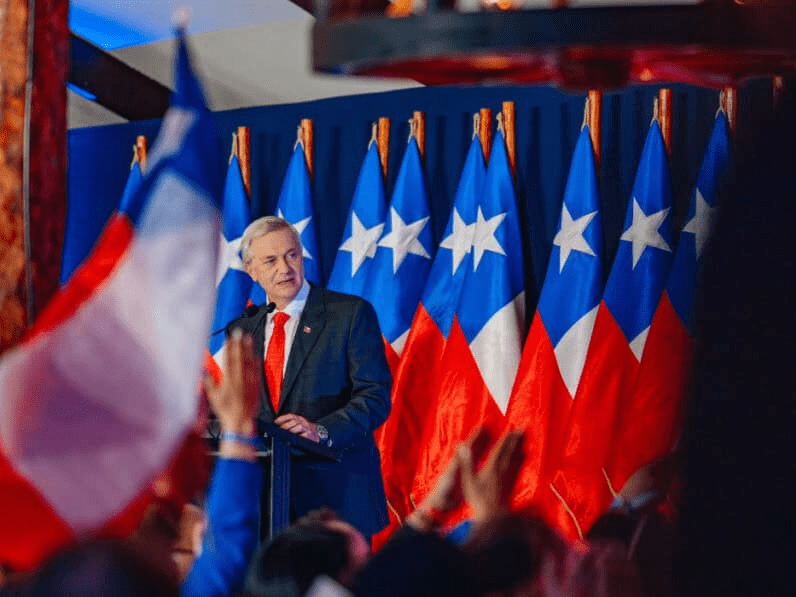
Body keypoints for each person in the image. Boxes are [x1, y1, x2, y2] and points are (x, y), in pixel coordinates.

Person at [230, 216, 391, 539]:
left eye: (291, 255)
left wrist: (321, 430)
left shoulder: (349, 315)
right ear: (251, 270)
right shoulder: (243, 328)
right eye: (270, 261)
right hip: (267, 502)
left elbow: (375, 397)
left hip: (336, 497)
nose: (285, 268)